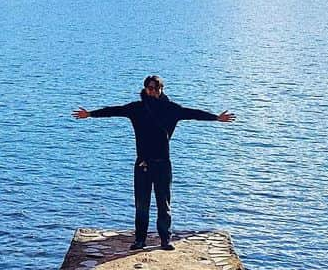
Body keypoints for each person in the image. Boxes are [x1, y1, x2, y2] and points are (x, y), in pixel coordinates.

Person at [73, 74, 235, 251]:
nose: (153, 91)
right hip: (143, 164)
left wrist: (216, 118)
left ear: (161, 89)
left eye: (156, 88)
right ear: (145, 89)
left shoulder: (172, 109)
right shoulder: (136, 108)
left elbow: (193, 114)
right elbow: (114, 110)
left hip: (163, 164)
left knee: (163, 204)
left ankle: (165, 240)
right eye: (150, 88)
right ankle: (140, 240)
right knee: (142, 205)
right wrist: (90, 114)